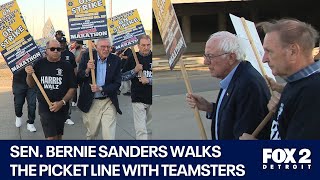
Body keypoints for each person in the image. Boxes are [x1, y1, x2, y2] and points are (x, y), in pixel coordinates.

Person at [240, 19, 320, 140]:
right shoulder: (296, 83)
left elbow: (301, 156)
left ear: (293, 51)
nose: (264, 59)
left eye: (269, 51)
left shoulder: (313, 93)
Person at [186, 31, 271, 140]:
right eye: (205, 56)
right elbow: (233, 114)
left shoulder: (248, 85)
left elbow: (244, 135)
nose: (205, 62)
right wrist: (210, 108)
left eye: (210, 56)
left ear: (231, 57)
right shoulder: (234, 76)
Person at [25, 39, 76, 140]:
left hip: (62, 106)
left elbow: (72, 88)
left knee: (58, 135)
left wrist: (61, 102)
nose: (56, 51)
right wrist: (29, 74)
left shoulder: (67, 66)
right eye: (52, 49)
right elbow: (31, 84)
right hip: (45, 107)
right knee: (51, 137)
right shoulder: (39, 64)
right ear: (46, 50)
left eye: (58, 49)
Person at [77, 38, 122, 140]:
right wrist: (87, 69)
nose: (106, 49)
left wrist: (101, 88)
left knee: (109, 136)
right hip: (91, 101)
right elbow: (78, 78)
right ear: (96, 47)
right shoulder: (87, 56)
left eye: (108, 47)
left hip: (108, 101)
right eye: (103, 47)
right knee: (92, 134)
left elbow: (117, 83)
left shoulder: (115, 60)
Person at [122, 35, 152, 140]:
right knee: (141, 130)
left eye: (148, 45)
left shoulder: (153, 57)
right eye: (143, 45)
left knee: (150, 128)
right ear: (138, 46)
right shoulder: (132, 58)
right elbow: (123, 77)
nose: (146, 47)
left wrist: (149, 81)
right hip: (138, 98)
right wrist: (134, 70)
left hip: (152, 99)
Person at [58, 37, 77, 125]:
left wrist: (75, 79)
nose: (61, 44)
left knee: (66, 99)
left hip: (67, 81)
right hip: (56, 80)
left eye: (63, 42)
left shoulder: (70, 54)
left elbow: (74, 68)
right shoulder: (54, 53)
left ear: (65, 43)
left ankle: (66, 117)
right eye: (60, 42)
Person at [71, 40, 86, 106]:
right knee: (75, 86)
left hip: (82, 71)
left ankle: (80, 100)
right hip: (75, 71)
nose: (75, 44)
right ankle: (74, 100)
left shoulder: (85, 51)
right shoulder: (74, 51)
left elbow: (80, 61)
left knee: (81, 86)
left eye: (76, 43)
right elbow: (75, 60)